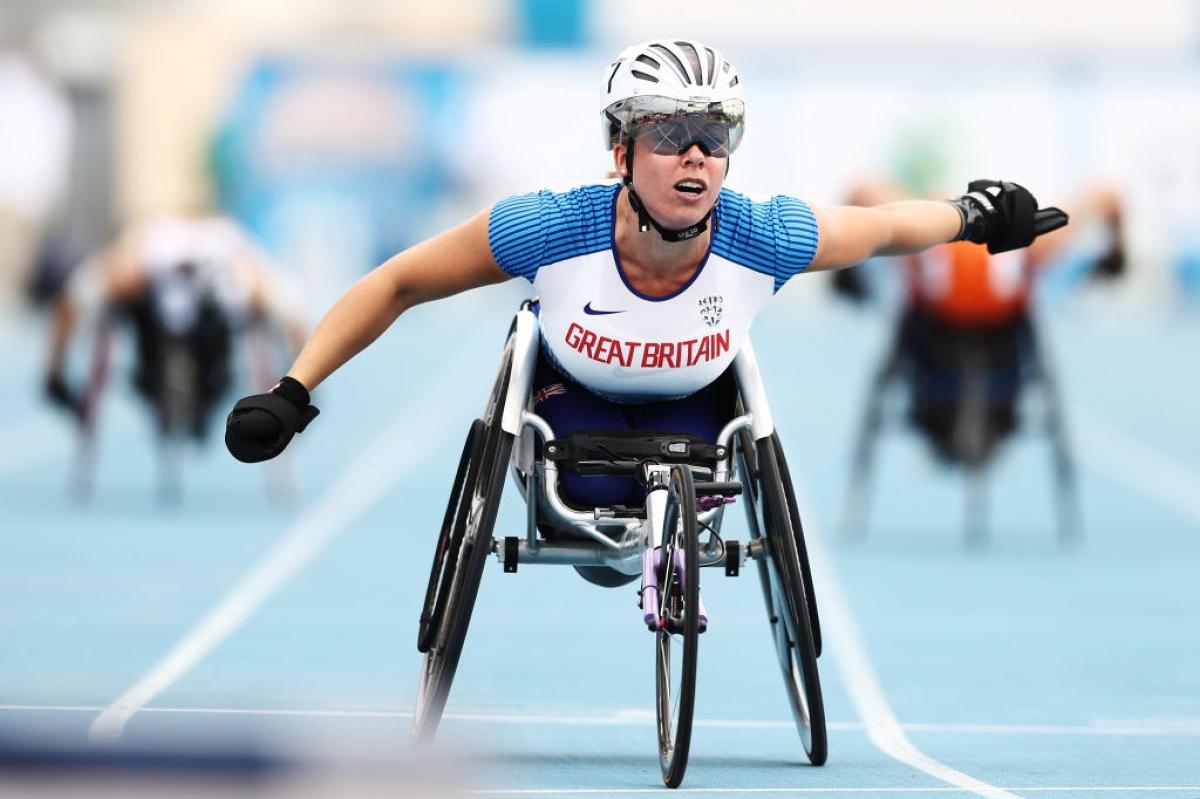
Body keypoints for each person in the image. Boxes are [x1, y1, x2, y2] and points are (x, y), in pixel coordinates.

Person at [225, 38, 1067, 503]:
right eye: (670, 136)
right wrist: (294, 391)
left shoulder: (761, 235)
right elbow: (397, 283)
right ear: (621, 151)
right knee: (593, 490)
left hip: (697, 406)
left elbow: (881, 227)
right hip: (570, 403)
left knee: (686, 498)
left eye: (716, 137)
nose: (696, 155)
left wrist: (976, 215)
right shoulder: (549, 227)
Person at [45, 212, 307, 441]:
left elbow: (71, 304)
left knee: (118, 287)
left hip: (189, 312)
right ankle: (188, 387)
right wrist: (299, 386)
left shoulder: (217, 246)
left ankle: (190, 388)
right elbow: (291, 316)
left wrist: (56, 375)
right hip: (179, 311)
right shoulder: (212, 247)